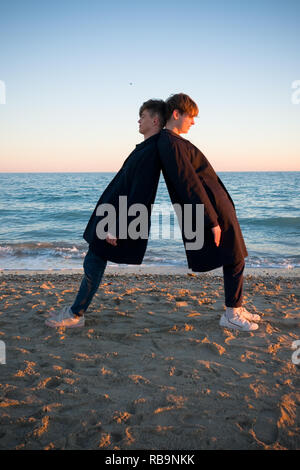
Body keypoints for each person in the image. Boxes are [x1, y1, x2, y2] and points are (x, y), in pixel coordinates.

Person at [45, 99, 166, 328]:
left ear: (155, 120)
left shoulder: (151, 153)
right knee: (94, 259)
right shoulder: (145, 148)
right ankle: (75, 310)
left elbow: (138, 195)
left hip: (116, 217)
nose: (138, 120)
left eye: (143, 116)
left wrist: (118, 226)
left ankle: (75, 314)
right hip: (112, 213)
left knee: (94, 261)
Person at [157, 93, 260, 331]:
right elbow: (188, 183)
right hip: (212, 209)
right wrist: (210, 219)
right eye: (191, 117)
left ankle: (236, 306)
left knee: (236, 255)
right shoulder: (170, 143)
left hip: (218, 205)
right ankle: (232, 313)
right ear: (176, 114)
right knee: (233, 256)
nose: (193, 122)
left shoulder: (176, 141)